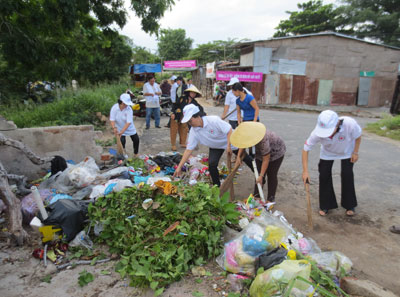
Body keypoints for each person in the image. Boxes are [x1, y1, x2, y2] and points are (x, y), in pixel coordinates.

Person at [173, 104, 253, 186]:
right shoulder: (194, 131)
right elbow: (188, 150)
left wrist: (228, 146)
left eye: (190, 121)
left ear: (197, 116)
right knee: (212, 165)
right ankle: (217, 187)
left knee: (246, 158)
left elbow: (229, 130)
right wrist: (179, 167)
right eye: (188, 122)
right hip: (216, 146)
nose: (190, 124)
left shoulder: (213, 120)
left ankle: (259, 173)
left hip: (230, 140)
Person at [302, 110, 362, 217]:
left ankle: (349, 204)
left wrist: (355, 152)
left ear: (337, 124)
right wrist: (305, 171)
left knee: (347, 174)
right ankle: (326, 205)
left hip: (346, 151)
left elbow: (358, 136)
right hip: (327, 153)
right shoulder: (316, 133)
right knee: (324, 175)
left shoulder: (350, 124)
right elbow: (305, 149)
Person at [231, 122, 286, 203]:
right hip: (260, 153)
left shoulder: (263, 139)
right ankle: (257, 196)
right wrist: (238, 156)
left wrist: (261, 175)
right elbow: (243, 144)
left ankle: (270, 199)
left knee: (271, 174)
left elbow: (266, 159)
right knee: (258, 173)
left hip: (276, 153)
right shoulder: (247, 135)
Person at [170, 85, 204, 151]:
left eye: (194, 93)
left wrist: (203, 114)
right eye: (192, 93)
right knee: (174, 130)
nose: (193, 94)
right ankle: (173, 144)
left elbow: (200, 108)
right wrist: (172, 113)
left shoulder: (194, 102)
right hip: (176, 115)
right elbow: (175, 105)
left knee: (184, 129)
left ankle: (182, 143)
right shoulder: (182, 98)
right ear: (189, 92)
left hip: (185, 117)